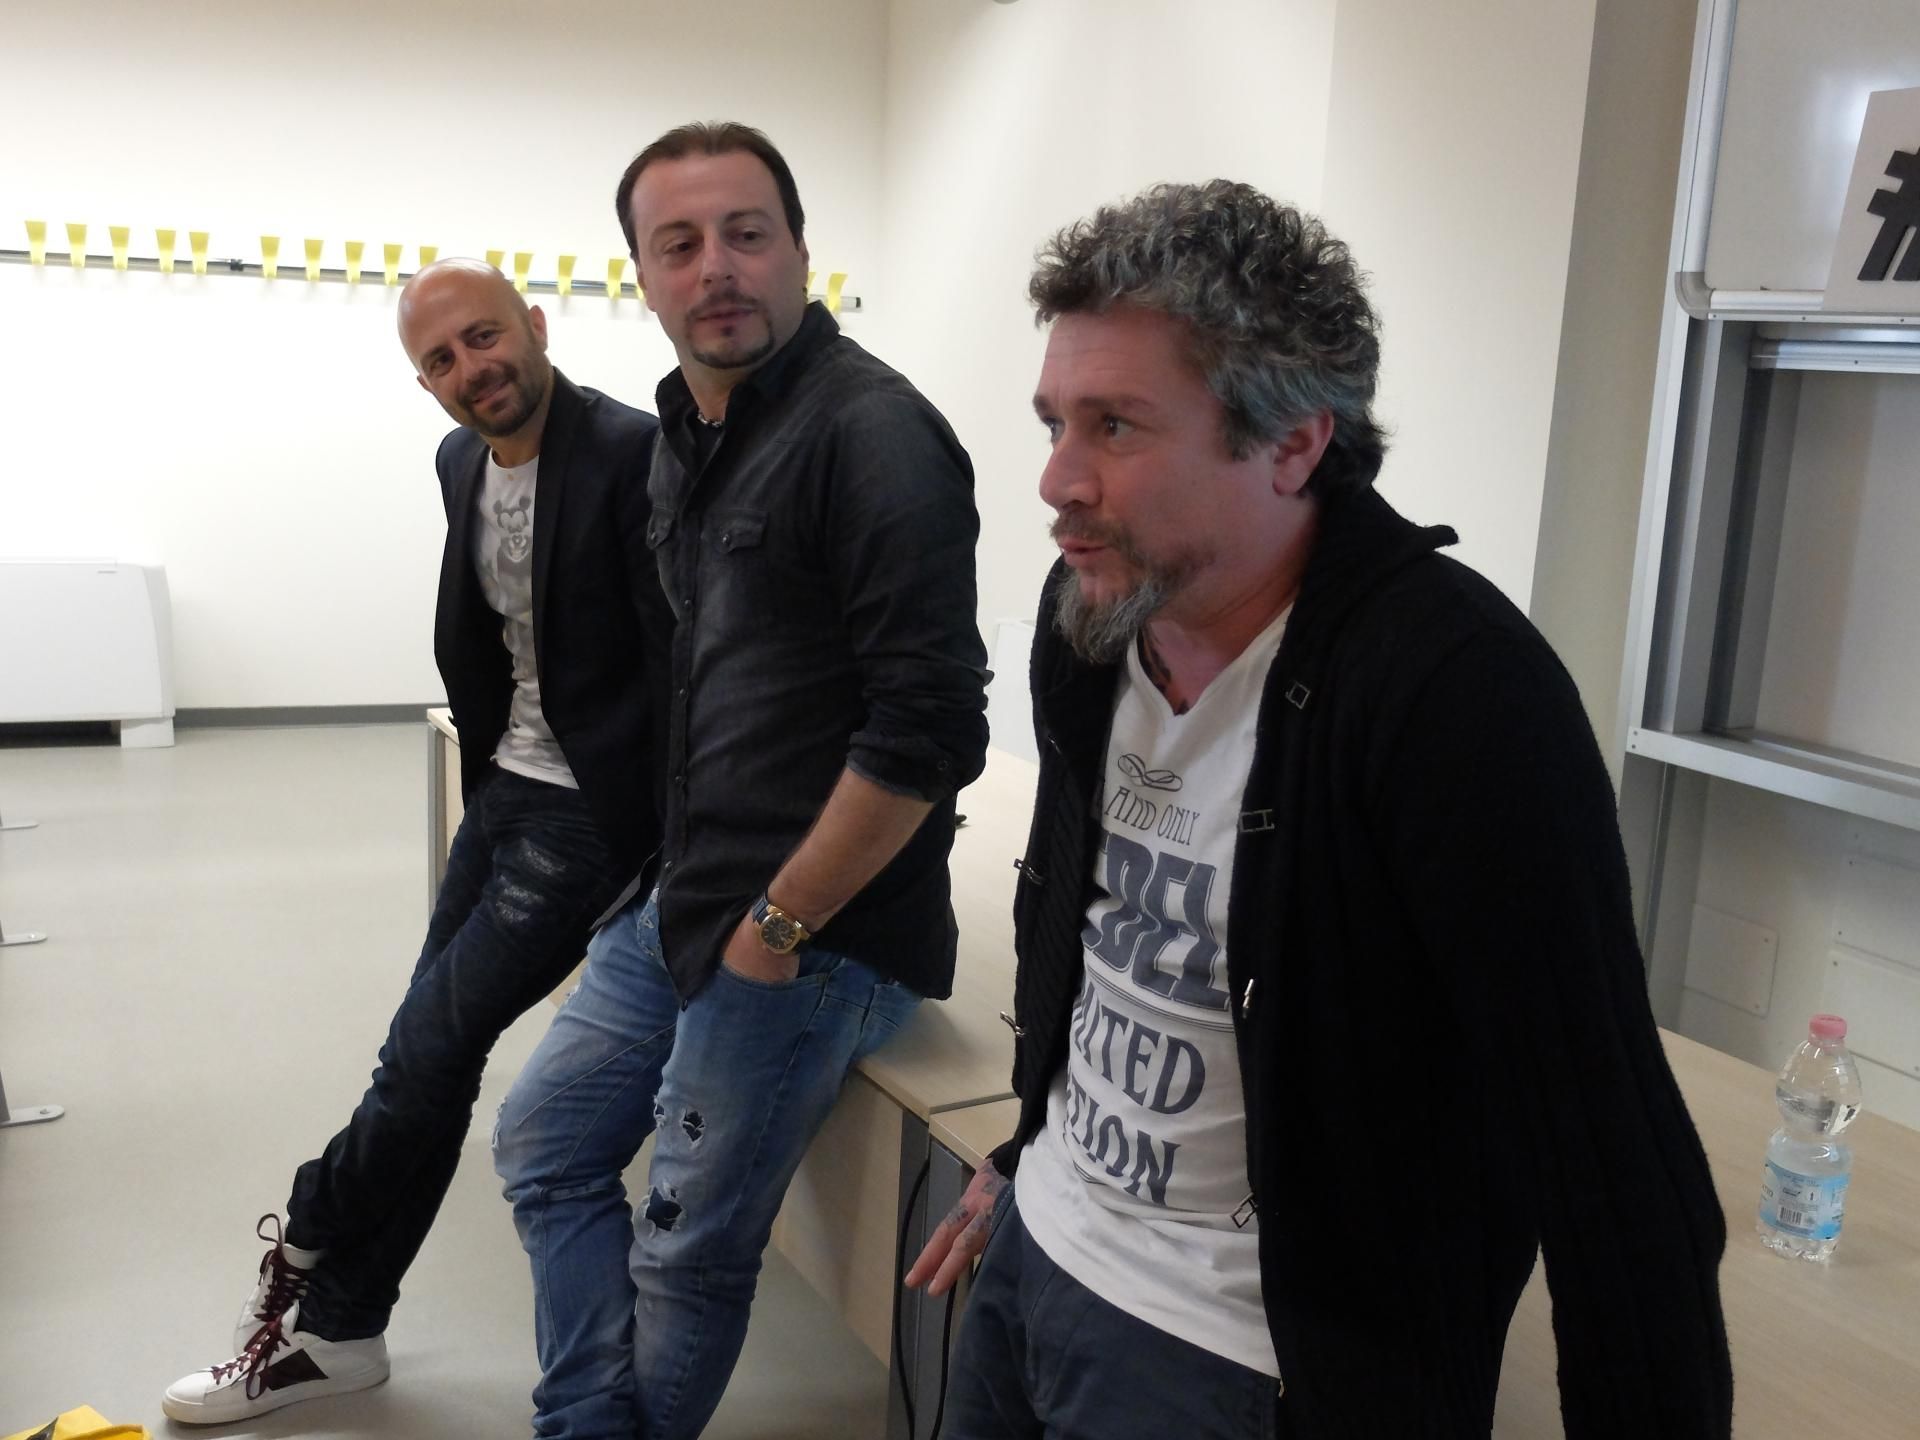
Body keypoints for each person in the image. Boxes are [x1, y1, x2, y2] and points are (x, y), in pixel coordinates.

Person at [907, 181, 1734, 1439]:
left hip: (1235, 1354)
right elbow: (1089, 931)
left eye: (1116, 426)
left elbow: (1608, 1158)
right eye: (1055, 422)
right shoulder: (1092, 624)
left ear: (1294, 443)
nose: (1057, 480)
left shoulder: (1455, 693)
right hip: (1040, 1249)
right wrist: (1031, 1150)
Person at [490, 121, 990, 1440]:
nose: (716, 267)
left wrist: (779, 927)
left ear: (801, 253)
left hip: (815, 935)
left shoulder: (874, 435)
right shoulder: (684, 433)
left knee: (686, 1253)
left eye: (746, 234)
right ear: (643, 279)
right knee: (542, 1146)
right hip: (690, 895)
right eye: (680, 244)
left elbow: (931, 730)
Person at [163, 259, 672, 1425]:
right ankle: (345, 1331)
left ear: (534, 325)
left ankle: (306, 1239)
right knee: (428, 1057)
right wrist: (489, 767)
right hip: (504, 790)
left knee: (425, 1051)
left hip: (591, 818)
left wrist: (672, 842)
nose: (470, 370)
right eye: (440, 360)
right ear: (426, 384)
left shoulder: (635, 455)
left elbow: (682, 658)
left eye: (483, 338)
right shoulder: (460, 461)